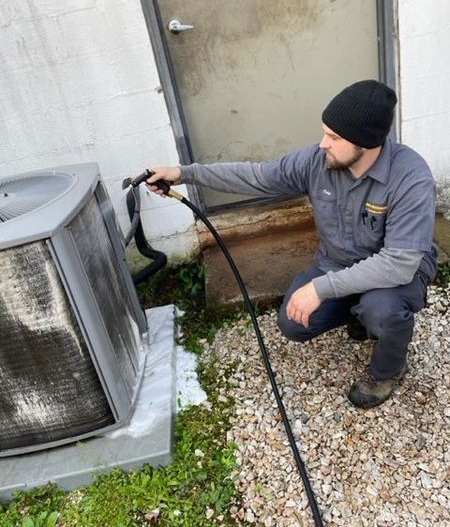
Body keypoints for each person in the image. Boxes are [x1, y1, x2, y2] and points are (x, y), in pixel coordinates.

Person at [147, 80, 437, 409]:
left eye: (335, 137)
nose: (323, 144)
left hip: (397, 274)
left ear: (367, 143)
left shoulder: (410, 178)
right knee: (292, 322)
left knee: (382, 311)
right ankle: (358, 310)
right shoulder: (319, 161)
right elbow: (257, 176)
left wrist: (319, 289)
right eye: (325, 132)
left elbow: (398, 263)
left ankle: (387, 371)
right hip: (337, 262)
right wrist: (184, 173)